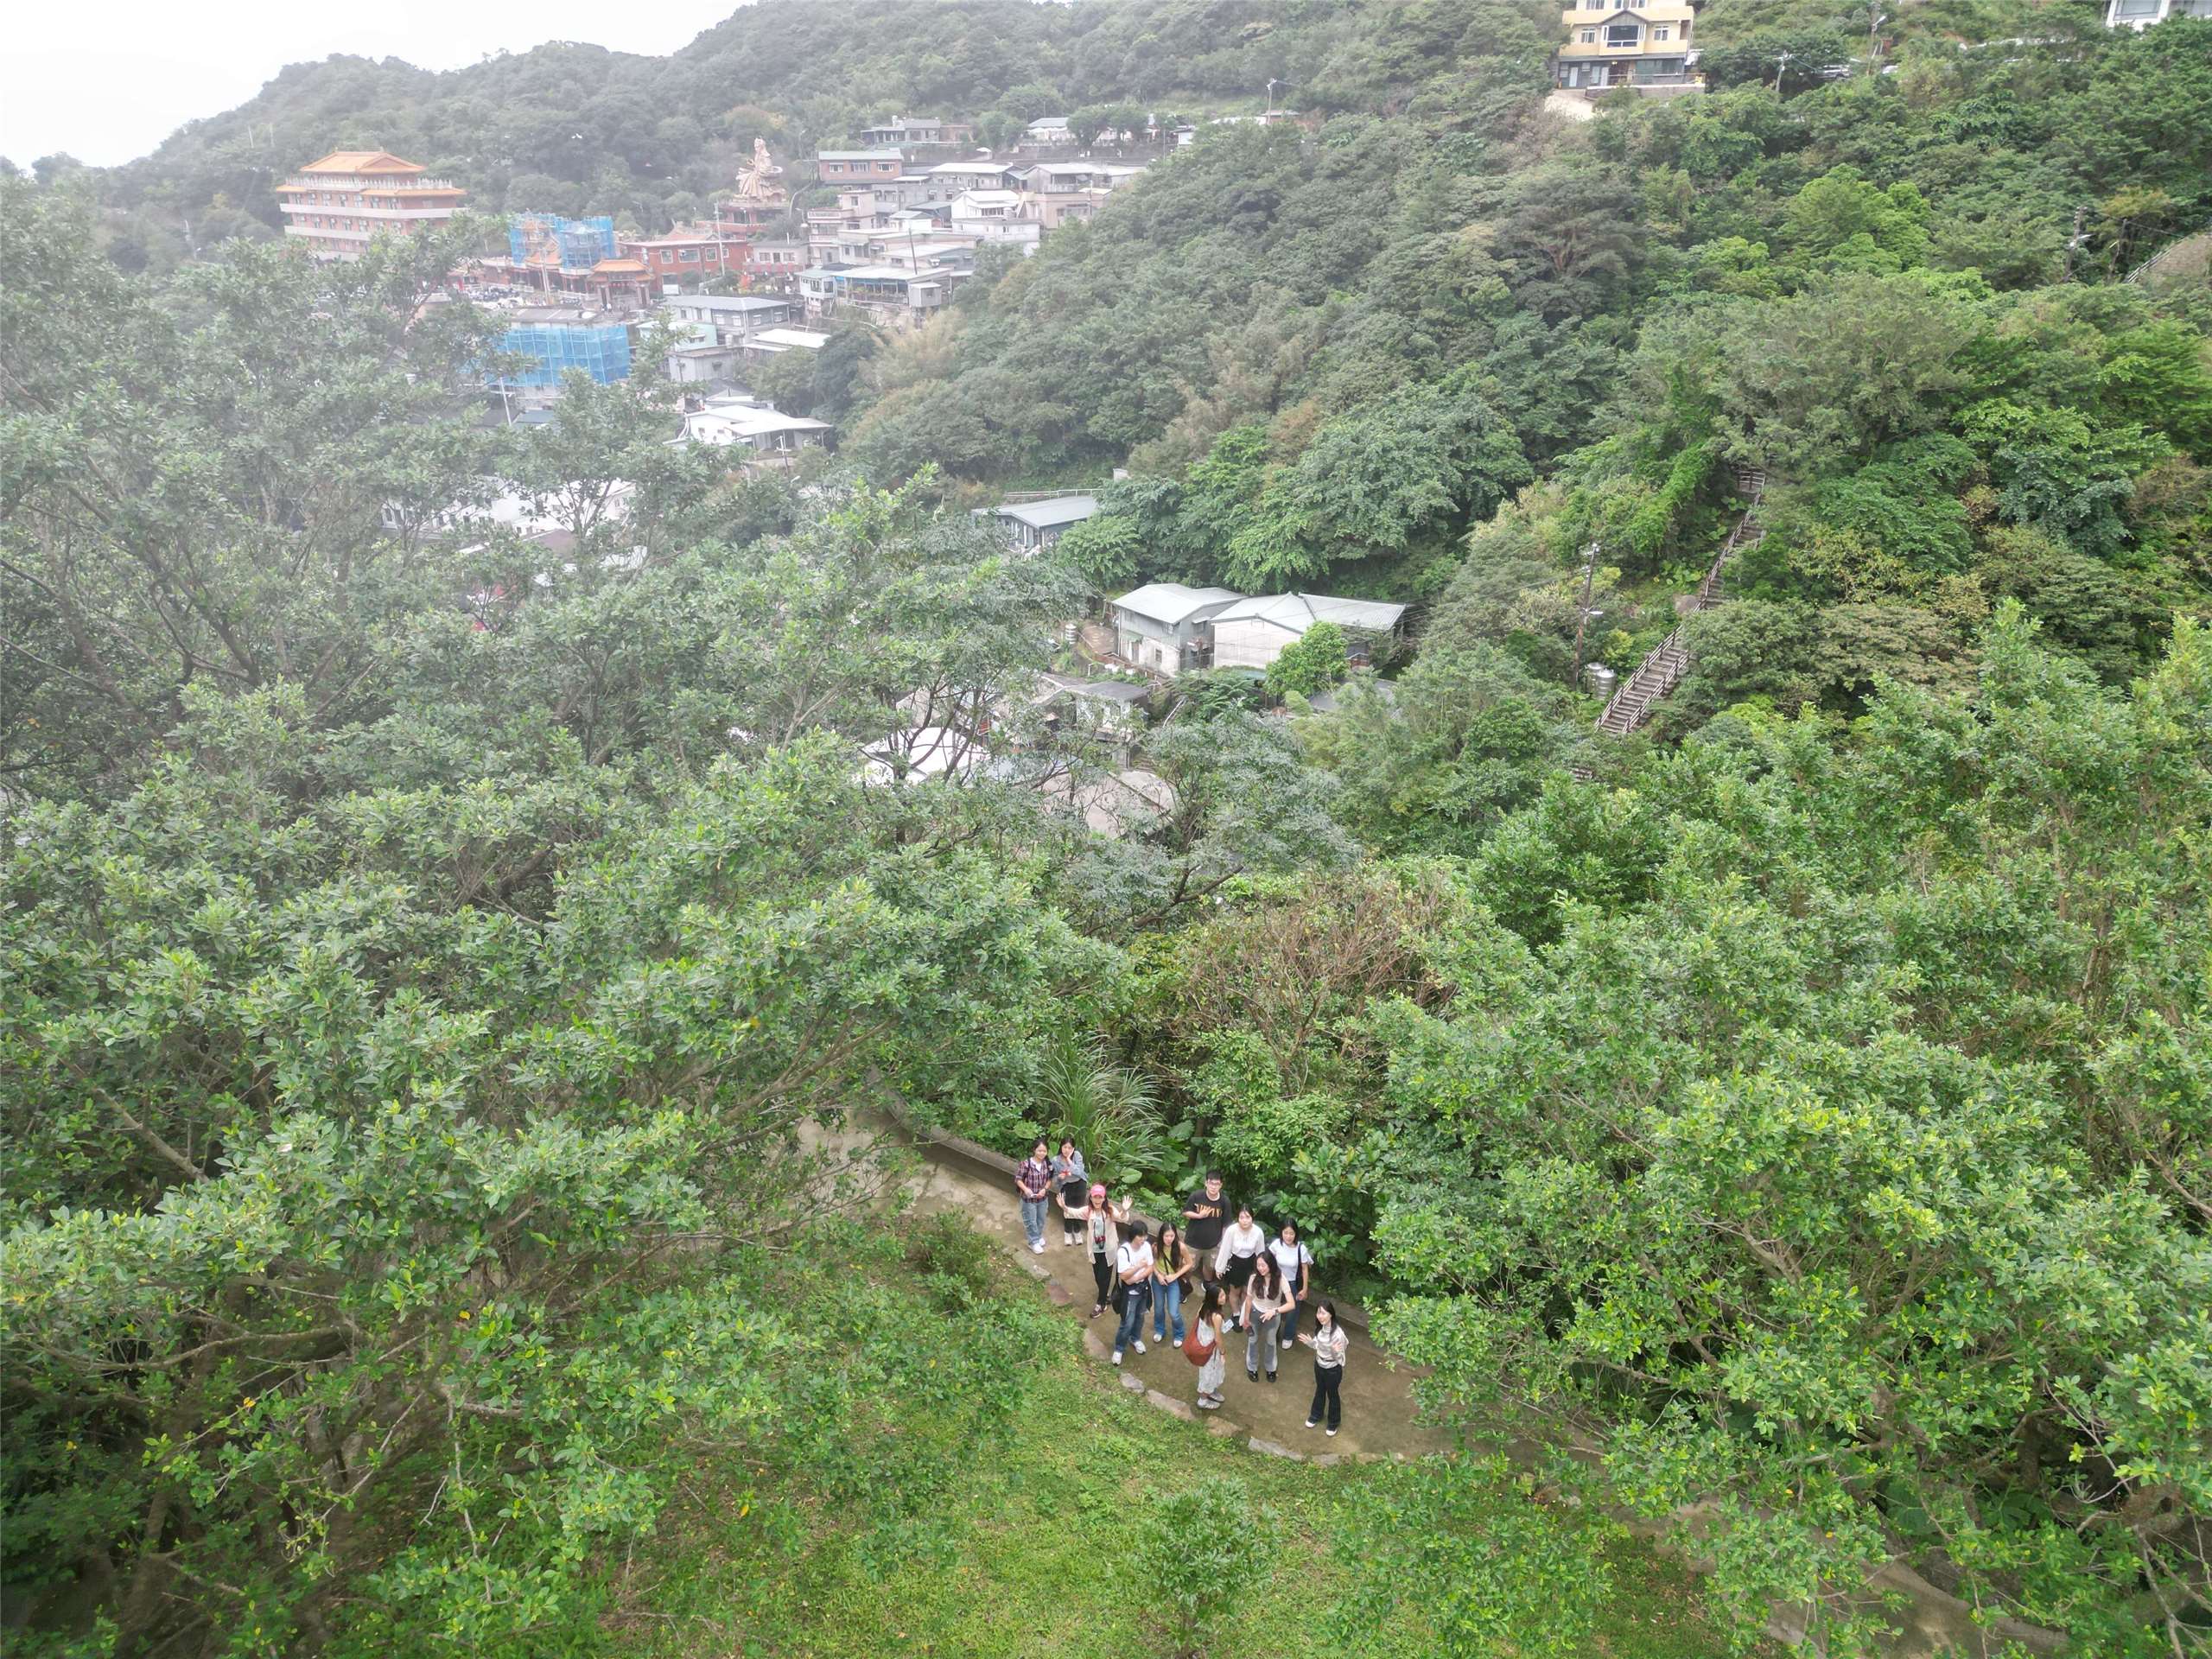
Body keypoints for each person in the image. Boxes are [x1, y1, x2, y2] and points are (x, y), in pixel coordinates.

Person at [1059, 1181, 1129, 1318]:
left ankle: (1101, 1304)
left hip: (1108, 1250)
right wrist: (1064, 1207)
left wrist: (1125, 1210)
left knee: (1104, 1277)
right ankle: (1105, 1295)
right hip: (1095, 1249)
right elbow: (1075, 1213)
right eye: (1095, 1197)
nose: (1097, 1199)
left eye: (1100, 1197)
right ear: (1091, 1198)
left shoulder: (1109, 1210)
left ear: (1104, 1198)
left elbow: (1121, 1218)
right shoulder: (1088, 1211)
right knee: (1098, 1277)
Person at [1298, 1301, 1349, 1436]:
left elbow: (1340, 1359)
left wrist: (1334, 1351)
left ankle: (1333, 1423)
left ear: (1331, 1314)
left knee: (1332, 1394)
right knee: (1320, 1390)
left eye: (1323, 1313)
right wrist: (1310, 1343)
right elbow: (1318, 1345)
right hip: (1319, 1365)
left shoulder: (1337, 1334)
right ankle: (1316, 1415)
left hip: (1333, 1369)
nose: (1320, 1316)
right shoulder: (1321, 1328)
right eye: (1318, 1312)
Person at [1213, 1205, 1267, 1327]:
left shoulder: (1258, 1232)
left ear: (1252, 1218)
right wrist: (1220, 1267)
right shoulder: (1231, 1230)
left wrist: (1262, 1270)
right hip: (1235, 1263)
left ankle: (1244, 1312)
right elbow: (1225, 1249)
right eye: (1242, 1217)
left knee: (1247, 1291)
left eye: (1247, 1217)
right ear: (1238, 1218)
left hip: (1251, 1263)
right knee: (1234, 1291)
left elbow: (1261, 1253)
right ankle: (1236, 1313)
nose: (1245, 1220)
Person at [1111, 1221, 1155, 1364]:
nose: (1143, 1239)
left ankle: (1135, 1339)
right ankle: (1119, 1348)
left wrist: (1136, 1277)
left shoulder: (1147, 1246)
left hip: (1143, 1287)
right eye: (1140, 1236)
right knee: (1127, 1322)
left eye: (1145, 1236)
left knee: (1140, 1317)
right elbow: (1124, 1276)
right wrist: (1138, 1267)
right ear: (1133, 1236)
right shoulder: (1124, 1251)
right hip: (1130, 1292)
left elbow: (1150, 1267)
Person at [1243, 1250, 1288, 1382]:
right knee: (1253, 1341)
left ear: (1271, 1264)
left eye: (1264, 1265)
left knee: (1271, 1342)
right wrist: (1246, 1318)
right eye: (1258, 1265)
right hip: (1255, 1313)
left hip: (1272, 1316)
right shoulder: (1254, 1278)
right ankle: (1252, 1367)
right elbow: (1249, 1299)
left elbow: (1291, 1303)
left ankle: (1271, 1368)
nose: (1260, 1268)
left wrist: (1274, 1311)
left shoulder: (1280, 1279)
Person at [1271, 1222, 1314, 1347]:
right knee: (1275, 1307)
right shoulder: (1276, 1245)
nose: (1288, 1236)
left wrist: (1305, 1289)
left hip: (1294, 1283)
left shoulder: (1301, 1248)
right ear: (1281, 1232)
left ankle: (1288, 1336)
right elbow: (1268, 1260)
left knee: (1292, 1311)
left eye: (1291, 1233)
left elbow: (1305, 1269)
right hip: (1277, 1281)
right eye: (1286, 1233)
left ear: (1296, 1234)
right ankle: (1273, 1333)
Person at [1181, 1173, 1229, 1287]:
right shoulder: (1196, 1196)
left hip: (1213, 1244)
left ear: (1221, 1185)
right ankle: (1184, 1286)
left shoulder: (1224, 1201)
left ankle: (1207, 1285)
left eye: (1217, 1184)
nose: (1213, 1187)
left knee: (1210, 1267)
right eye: (1211, 1183)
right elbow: (1185, 1212)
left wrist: (1222, 1243)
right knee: (1188, 1267)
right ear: (1206, 1183)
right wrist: (1199, 1216)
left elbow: (1226, 1224)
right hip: (1193, 1242)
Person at [1151, 1222, 1192, 1347]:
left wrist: (1175, 1275)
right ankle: (1159, 1330)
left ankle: (1179, 1333)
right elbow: (1151, 1262)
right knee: (1158, 1308)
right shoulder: (1156, 1247)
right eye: (1166, 1236)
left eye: (1172, 1236)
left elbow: (1189, 1264)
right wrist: (1158, 1275)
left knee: (1173, 1312)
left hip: (1173, 1281)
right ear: (1161, 1236)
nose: (1169, 1239)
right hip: (1158, 1280)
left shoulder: (1180, 1247)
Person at [1188, 1286, 1227, 1411]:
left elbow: (1197, 1320)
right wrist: (1223, 1352)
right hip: (1210, 1351)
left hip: (1202, 1344)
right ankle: (1203, 1400)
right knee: (1209, 1373)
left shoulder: (1204, 1307)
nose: (1224, 1297)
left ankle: (1211, 1391)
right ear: (1214, 1299)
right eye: (1221, 1296)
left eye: (1223, 1294)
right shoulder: (1217, 1317)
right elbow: (1218, 1338)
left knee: (1209, 1372)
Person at [1014, 1140, 1053, 1255]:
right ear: (1034, 1150)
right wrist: (1026, 1190)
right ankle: (1033, 1242)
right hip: (1028, 1199)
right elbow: (1018, 1179)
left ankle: (1038, 1236)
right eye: (1039, 1150)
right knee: (1031, 1221)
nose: (1042, 1153)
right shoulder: (1026, 1164)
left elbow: (1049, 1180)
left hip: (1042, 1198)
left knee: (1041, 1219)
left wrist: (1045, 1189)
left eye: (1044, 1151)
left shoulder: (1047, 1164)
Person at [1052, 1140, 1088, 1248]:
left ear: (1073, 1148)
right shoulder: (1055, 1160)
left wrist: (1069, 1161)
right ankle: (1067, 1232)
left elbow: (1079, 1172)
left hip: (1080, 1184)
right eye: (1064, 1147)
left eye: (1069, 1148)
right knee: (1067, 1208)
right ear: (1061, 1147)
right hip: (1066, 1186)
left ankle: (1077, 1231)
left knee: (1078, 1209)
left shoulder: (1077, 1155)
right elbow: (1053, 1179)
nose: (1066, 1150)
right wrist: (1059, 1177)